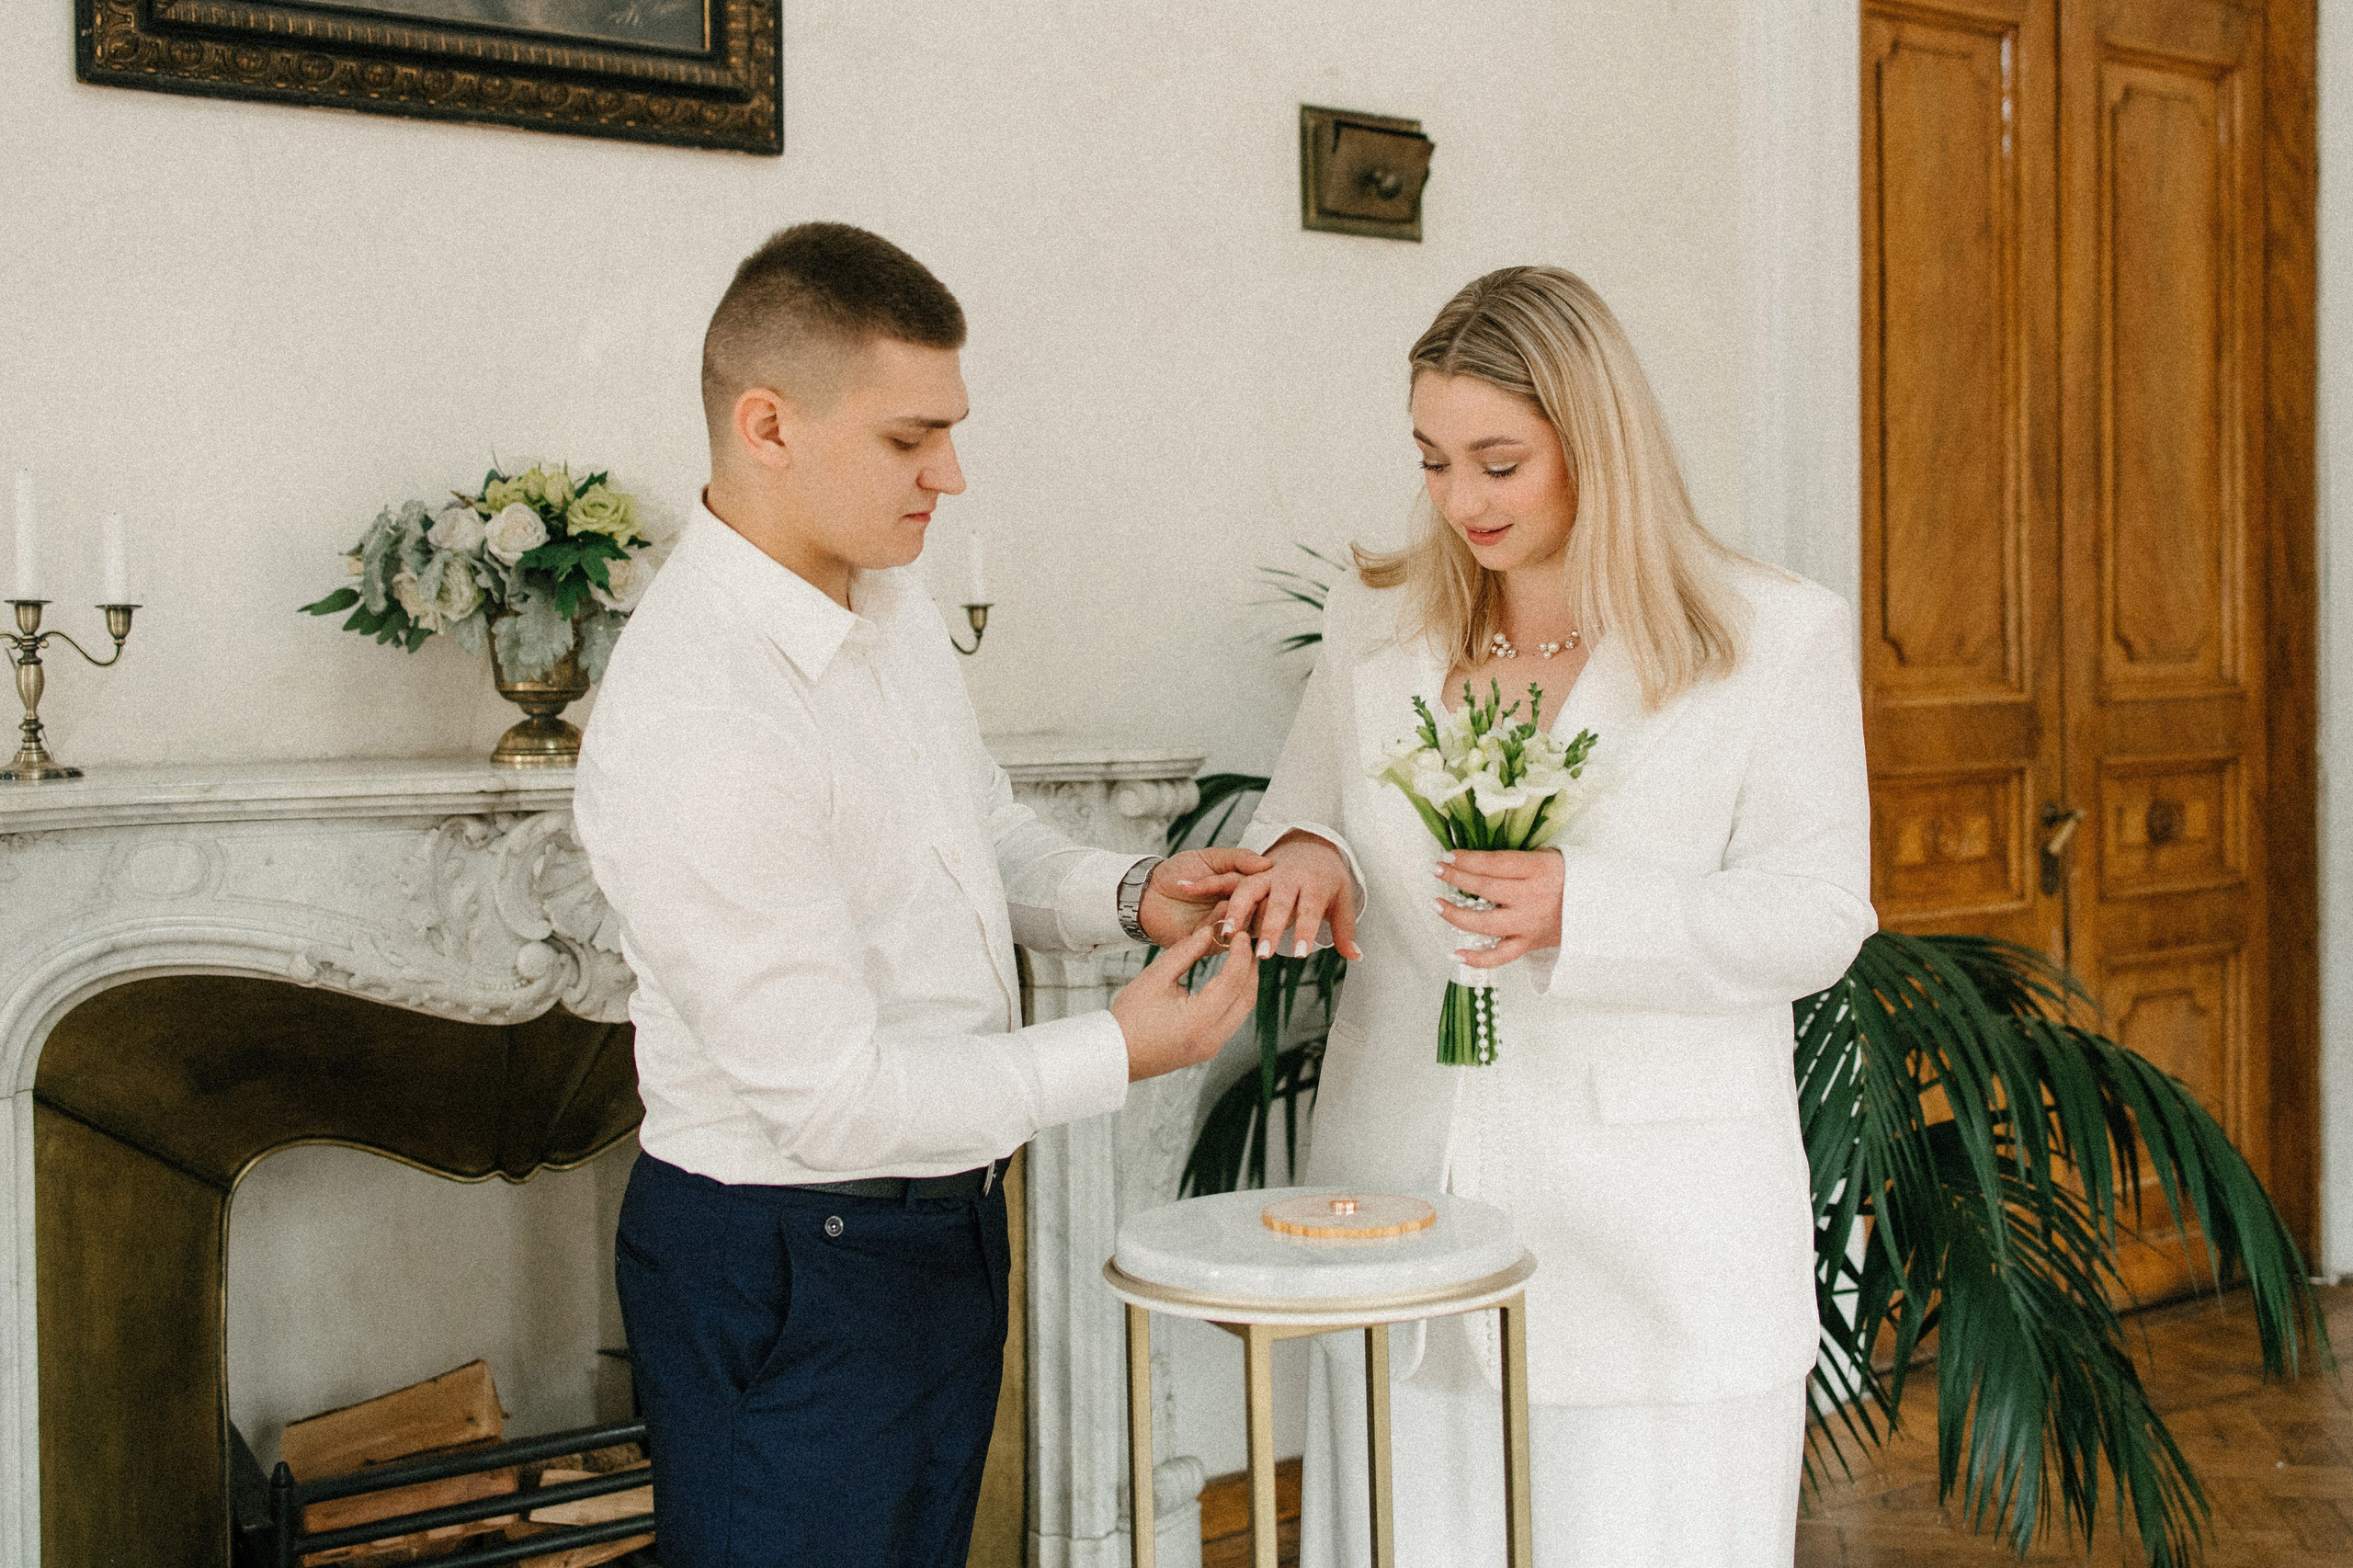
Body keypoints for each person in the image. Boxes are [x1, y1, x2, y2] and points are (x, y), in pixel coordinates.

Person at [572, 222, 1264, 1568]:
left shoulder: (883, 602)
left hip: (928, 1234)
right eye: (909, 438)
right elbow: (830, 1099)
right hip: (789, 1259)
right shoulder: (701, 714)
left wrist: (1133, 891)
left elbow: (976, 829)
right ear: (767, 424)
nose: (951, 475)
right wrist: (1121, 1048)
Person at [1216, 266, 1875, 1566]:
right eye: (1434, 459)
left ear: (1599, 443)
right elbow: (1314, 807)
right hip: (1402, 1212)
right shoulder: (1377, 617)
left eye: (1498, 462)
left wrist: (1590, 906)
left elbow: (1819, 914)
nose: (1460, 501)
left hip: (1654, 1243)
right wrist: (1304, 852)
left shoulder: (1774, 634)